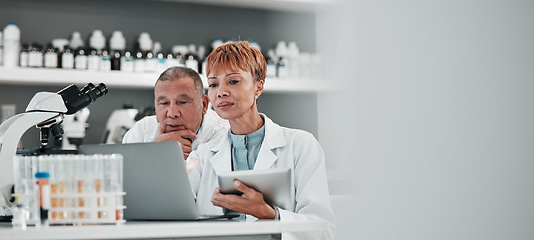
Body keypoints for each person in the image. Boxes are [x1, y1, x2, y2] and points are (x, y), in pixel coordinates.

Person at [187, 41, 336, 240]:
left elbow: (323, 230)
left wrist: (271, 215)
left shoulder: (301, 145)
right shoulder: (203, 155)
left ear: (259, 86)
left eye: (233, 81)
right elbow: (170, 207)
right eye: (213, 84)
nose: (220, 91)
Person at [122, 66, 228, 159]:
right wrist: (154, 152)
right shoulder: (141, 131)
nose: (172, 114)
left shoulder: (224, 135)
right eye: (164, 103)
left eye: (182, 102)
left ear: (204, 105)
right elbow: (123, 177)